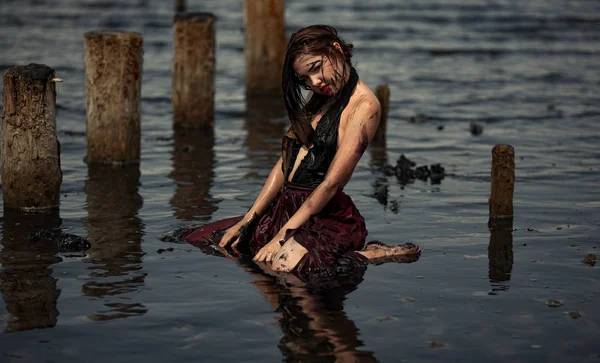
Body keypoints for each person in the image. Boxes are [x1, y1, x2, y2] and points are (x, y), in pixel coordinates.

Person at [184, 25, 421, 273]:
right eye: (305, 79)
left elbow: (330, 184)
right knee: (206, 239)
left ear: (336, 49)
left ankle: (369, 254)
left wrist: (282, 237)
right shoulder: (321, 96)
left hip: (326, 216)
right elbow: (285, 163)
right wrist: (248, 219)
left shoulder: (365, 107)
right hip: (287, 206)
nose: (315, 82)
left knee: (282, 266)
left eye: (316, 69)